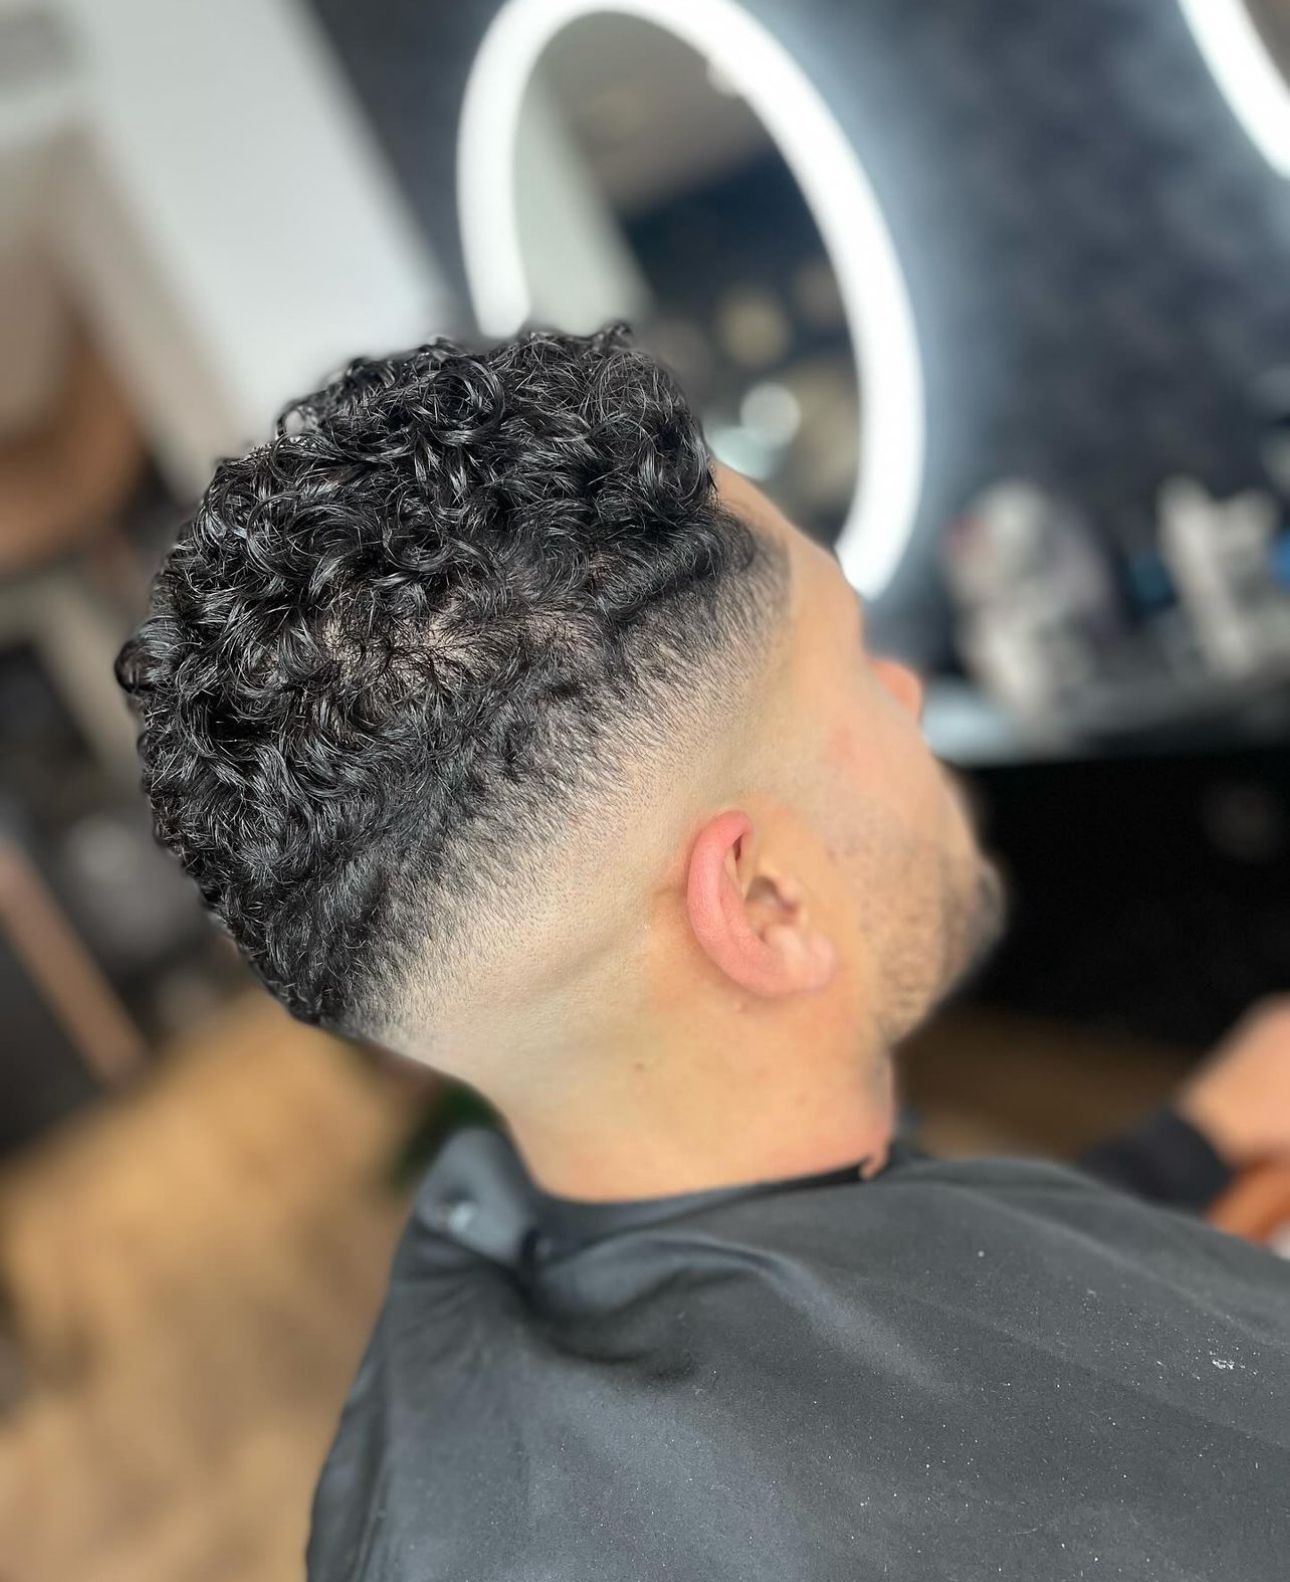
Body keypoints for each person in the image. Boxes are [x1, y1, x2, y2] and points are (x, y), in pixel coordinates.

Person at [116, 327, 1290, 1580]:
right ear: (767, 901)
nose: (903, 692)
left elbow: (922, 1327)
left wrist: (1193, 1143)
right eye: (853, 661)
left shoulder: (490, 1313)